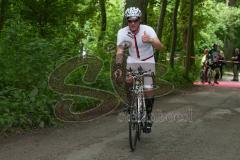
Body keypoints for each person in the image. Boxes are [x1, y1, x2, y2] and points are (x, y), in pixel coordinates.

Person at [114, 7, 163, 133]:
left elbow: (160, 47)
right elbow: (119, 51)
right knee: (128, 80)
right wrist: (118, 67)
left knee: (148, 89)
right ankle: (131, 104)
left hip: (148, 60)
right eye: (130, 21)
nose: (133, 23)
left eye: (135, 20)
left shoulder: (148, 30)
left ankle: (147, 116)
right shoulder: (122, 32)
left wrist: (151, 40)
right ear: (127, 21)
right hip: (133, 60)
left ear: (139, 20)